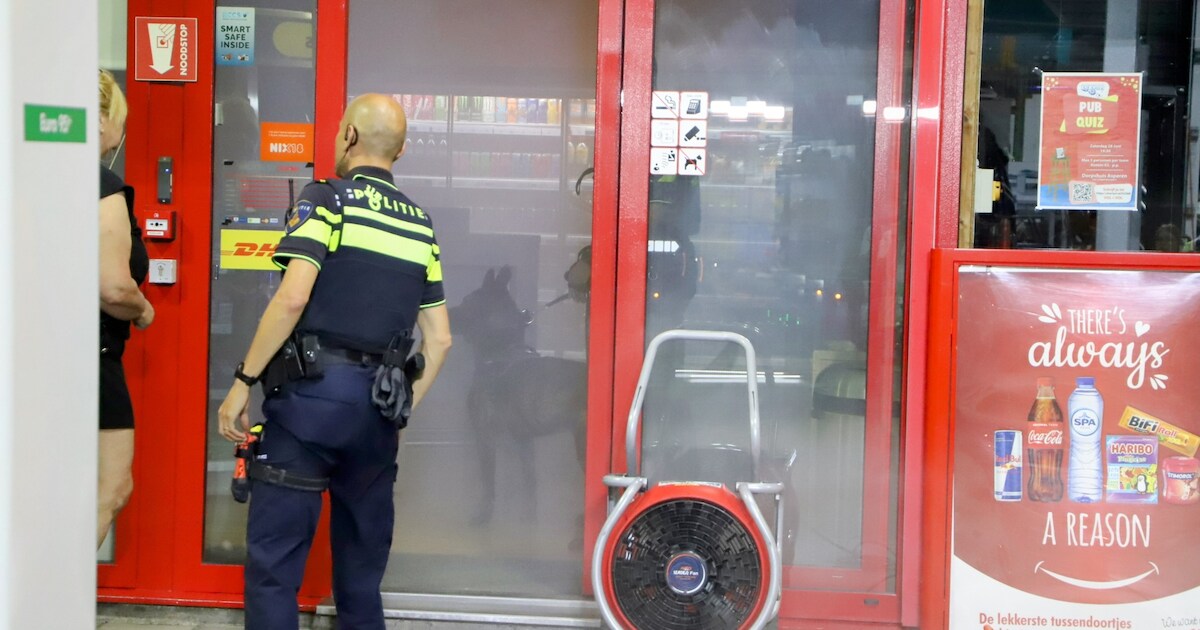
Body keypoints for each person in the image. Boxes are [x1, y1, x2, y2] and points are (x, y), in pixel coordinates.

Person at [217, 93, 452, 630]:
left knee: (275, 570)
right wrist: (400, 405)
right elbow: (439, 340)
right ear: (402, 149)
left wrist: (242, 382)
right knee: (361, 580)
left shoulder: (326, 200)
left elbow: (292, 297)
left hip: (308, 407)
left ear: (348, 136)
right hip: (376, 414)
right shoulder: (420, 224)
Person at [98, 69, 155, 548]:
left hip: (37, 352)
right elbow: (114, 289)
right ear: (99, 121)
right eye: (120, 118)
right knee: (111, 489)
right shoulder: (101, 187)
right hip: (90, 357)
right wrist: (143, 310)